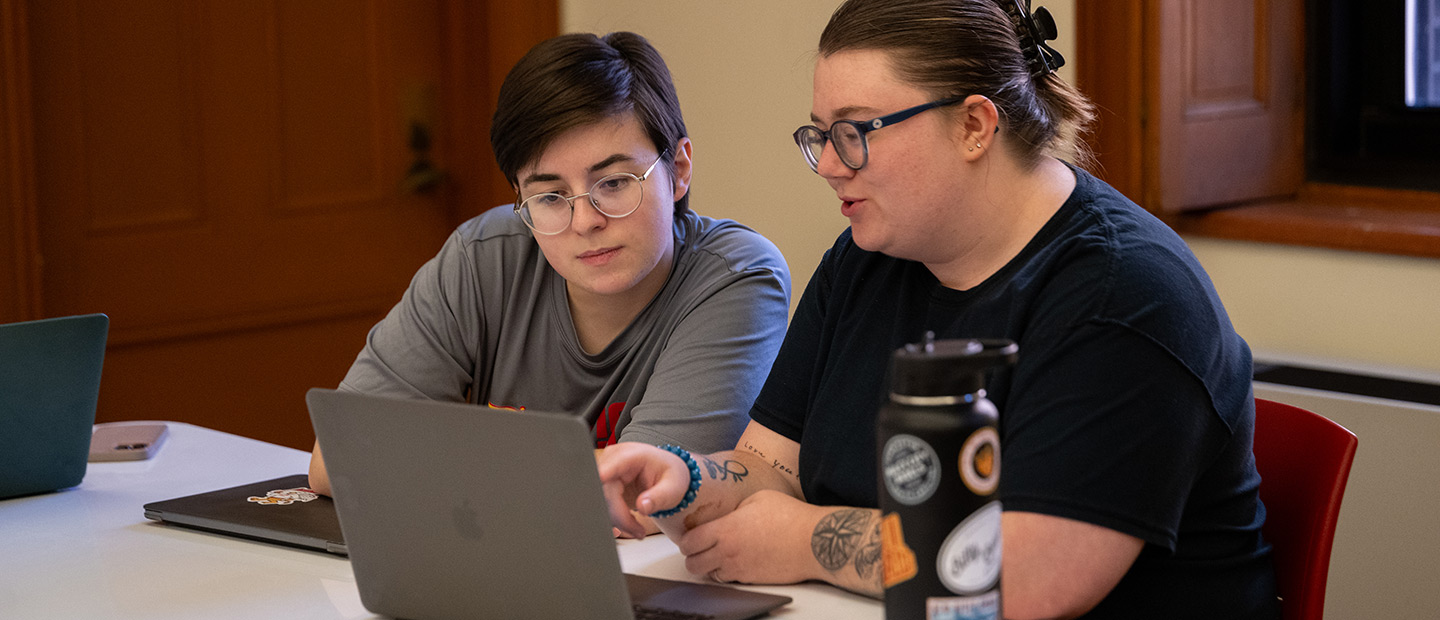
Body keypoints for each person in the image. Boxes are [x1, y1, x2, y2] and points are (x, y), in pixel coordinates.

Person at [597, 1, 1279, 618]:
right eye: (821, 134)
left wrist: (806, 540)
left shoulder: (1124, 292)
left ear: (975, 126)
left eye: (856, 131)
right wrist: (686, 479)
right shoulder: (869, 255)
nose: (831, 164)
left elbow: (1037, 578)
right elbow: (773, 467)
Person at [307, 32, 791, 500]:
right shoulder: (485, 257)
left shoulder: (736, 276)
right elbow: (337, 460)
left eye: (615, 182)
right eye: (551, 196)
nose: (585, 220)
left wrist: (443, 462)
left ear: (679, 170)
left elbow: (638, 496)